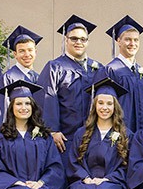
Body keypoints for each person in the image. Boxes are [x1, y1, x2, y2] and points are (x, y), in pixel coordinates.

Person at [37, 15, 103, 159]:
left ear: (87, 42)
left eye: (83, 39)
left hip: (93, 138)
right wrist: (53, 130)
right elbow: (47, 100)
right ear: (66, 40)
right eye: (74, 38)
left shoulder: (98, 68)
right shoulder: (54, 67)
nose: (78, 42)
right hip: (65, 138)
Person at [102, 15, 143, 132]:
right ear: (118, 41)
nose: (132, 43)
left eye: (136, 40)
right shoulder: (110, 70)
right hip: (119, 133)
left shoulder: (142, 72)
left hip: (142, 134)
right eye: (128, 39)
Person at [0, 25, 42, 127]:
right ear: (15, 54)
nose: (27, 54)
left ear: (35, 52)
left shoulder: (39, 77)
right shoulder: (7, 78)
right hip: (13, 133)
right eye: (21, 51)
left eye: (30, 50)